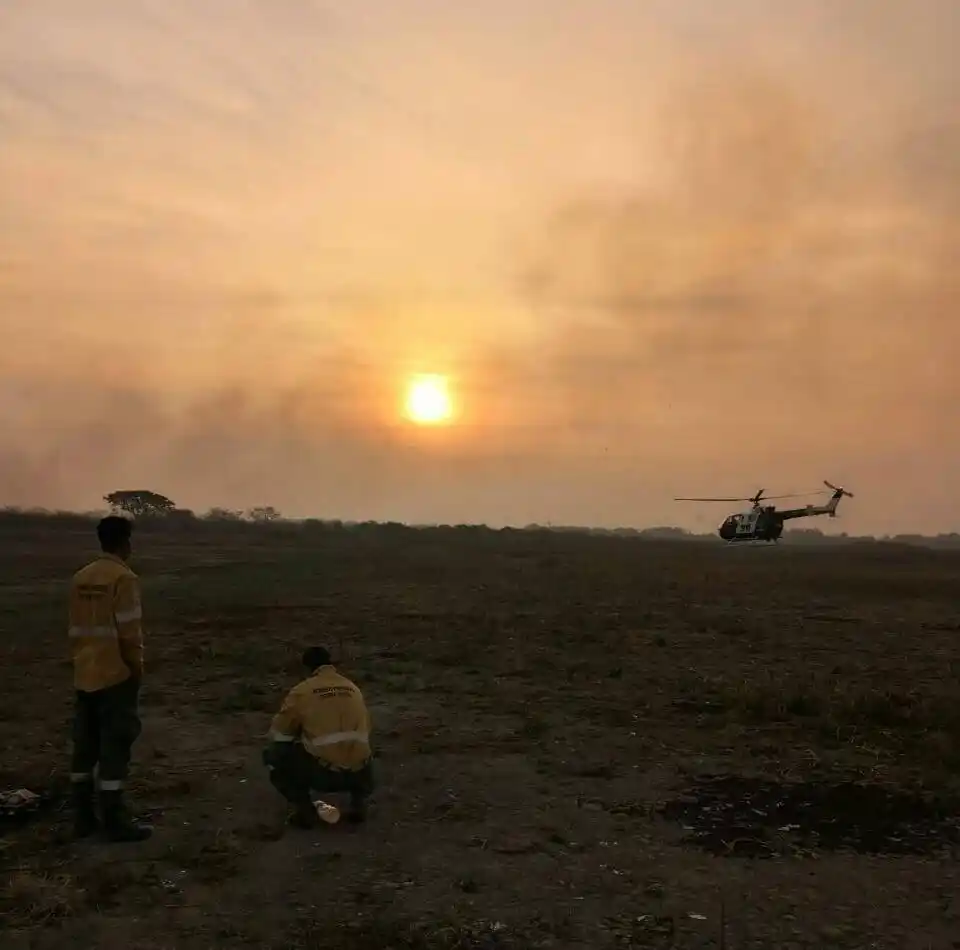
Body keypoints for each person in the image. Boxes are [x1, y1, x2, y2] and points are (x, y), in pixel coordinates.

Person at [67, 515, 152, 842]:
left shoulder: (81, 577)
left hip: (84, 672)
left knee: (84, 746)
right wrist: (135, 669)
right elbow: (130, 634)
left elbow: (75, 628)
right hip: (115, 675)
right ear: (125, 542)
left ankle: (82, 816)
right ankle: (114, 819)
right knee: (114, 745)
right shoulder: (123, 578)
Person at [263, 647, 375, 828]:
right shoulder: (352, 688)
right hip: (362, 772)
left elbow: (280, 734)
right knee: (359, 747)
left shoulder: (303, 691)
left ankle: (304, 810)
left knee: (274, 755)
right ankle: (358, 803)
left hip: (325, 774)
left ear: (306, 668)